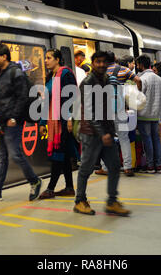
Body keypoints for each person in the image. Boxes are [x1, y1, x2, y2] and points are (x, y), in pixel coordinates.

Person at [0, 44, 42, 201]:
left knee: (16, 154)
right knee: (2, 157)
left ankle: (35, 181)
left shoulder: (16, 73)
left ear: (4, 56)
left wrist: (14, 117)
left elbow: (23, 97)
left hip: (13, 122)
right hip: (0, 121)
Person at [74, 51, 131, 216]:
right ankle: (80, 201)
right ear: (92, 63)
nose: (100, 65)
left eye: (103, 62)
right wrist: (102, 133)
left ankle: (112, 201)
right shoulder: (87, 82)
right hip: (91, 132)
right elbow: (90, 111)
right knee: (86, 168)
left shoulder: (106, 80)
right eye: (97, 62)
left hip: (105, 132)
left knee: (114, 166)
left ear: (107, 64)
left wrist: (109, 131)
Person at [37, 49, 78, 199]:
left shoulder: (65, 74)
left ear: (58, 60)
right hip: (54, 121)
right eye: (45, 58)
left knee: (58, 155)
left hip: (64, 122)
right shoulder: (50, 77)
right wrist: (42, 123)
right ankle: (69, 187)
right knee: (64, 154)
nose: (46, 61)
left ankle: (50, 188)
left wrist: (69, 118)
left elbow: (73, 97)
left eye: (49, 58)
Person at [98, 52, 142, 177]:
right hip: (120, 109)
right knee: (124, 138)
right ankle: (128, 167)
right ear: (115, 59)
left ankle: (105, 167)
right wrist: (138, 92)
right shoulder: (124, 70)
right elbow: (138, 80)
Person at [136, 55, 161, 174]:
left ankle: (150, 166)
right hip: (156, 114)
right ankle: (158, 165)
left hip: (143, 114)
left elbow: (138, 96)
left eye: (138, 64)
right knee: (156, 139)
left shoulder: (142, 79)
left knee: (147, 139)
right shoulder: (159, 79)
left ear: (141, 65)